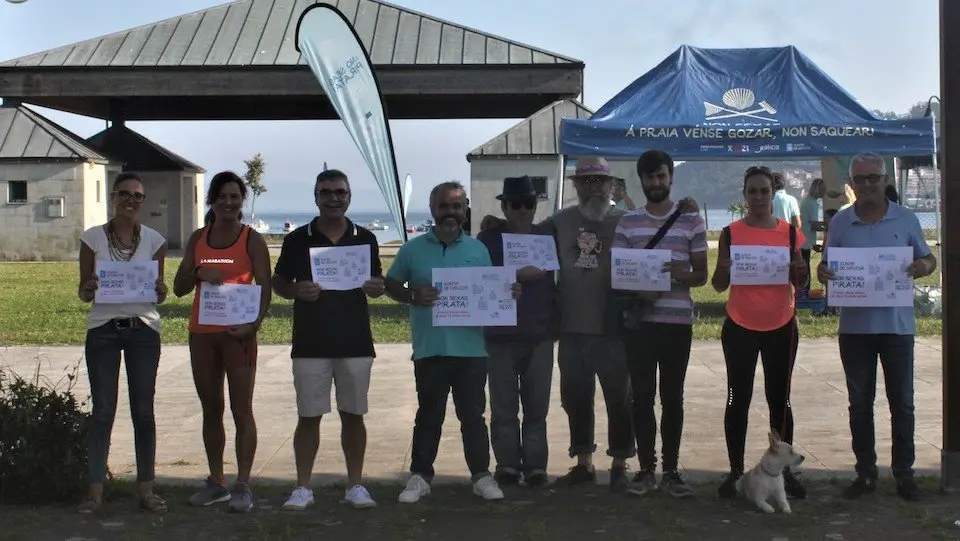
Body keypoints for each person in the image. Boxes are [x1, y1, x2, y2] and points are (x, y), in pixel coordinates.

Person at [479, 157, 698, 492]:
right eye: (586, 182)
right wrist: (497, 223)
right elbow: (527, 233)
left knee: (620, 401)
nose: (593, 188)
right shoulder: (559, 221)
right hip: (571, 327)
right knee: (576, 398)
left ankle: (620, 463)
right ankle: (583, 462)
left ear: (613, 185)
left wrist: (687, 208)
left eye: (600, 181)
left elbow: (661, 226)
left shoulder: (627, 219)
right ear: (576, 187)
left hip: (615, 328)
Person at [384, 181, 521, 503]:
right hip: (430, 347)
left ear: (465, 210)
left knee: (473, 418)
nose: (450, 212)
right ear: (433, 210)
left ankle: (481, 476)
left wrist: (508, 292)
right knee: (429, 416)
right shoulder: (412, 249)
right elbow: (391, 284)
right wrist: (413, 296)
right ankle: (419, 477)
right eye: (444, 206)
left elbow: (490, 290)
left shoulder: (478, 249)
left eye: (456, 206)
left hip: (471, 350)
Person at [817, 152, 936, 502]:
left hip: (897, 327)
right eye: (861, 179)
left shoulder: (906, 218)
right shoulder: (839, 223)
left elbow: (929, 258)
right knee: (859, 404)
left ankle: (904, 475)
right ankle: (865, 473)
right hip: (854, 330)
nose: (867, 184)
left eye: (874, 178)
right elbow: (826, 267)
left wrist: (922, 267)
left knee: (903, 404)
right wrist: (823, 273)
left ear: (886, 180)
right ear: (851, 184)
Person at [272, 170, 386, 510]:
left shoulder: (365, 238)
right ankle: (303, 487)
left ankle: (355, 485)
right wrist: (295, 291)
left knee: (354, 414)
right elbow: (279, 282)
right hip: (310, 341)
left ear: (349, 196)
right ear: (316, 196)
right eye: (326, 192)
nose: (333, 198)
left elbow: (376, 282)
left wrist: (377, 288)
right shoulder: (297, 240)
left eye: (340, 192)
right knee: (308, 416)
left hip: (355, 340)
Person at [173, 171, 272, 512]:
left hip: (238, 336)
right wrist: (200, 271)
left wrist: (253, 325)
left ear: (242, 200)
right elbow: (179, 287)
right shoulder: (198, 238)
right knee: (211, 408)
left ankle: (243, 484)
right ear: (212, 200)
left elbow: (265, 289)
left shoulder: (251, 240)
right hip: (202, 335)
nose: (228, 202)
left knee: (241, 408)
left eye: (235, 196)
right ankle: (217, 482)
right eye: (222, 196)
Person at [613, 150, 708, 498]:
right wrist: (642, 291)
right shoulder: (628, 222)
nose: (657, 182)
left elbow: (702, 275)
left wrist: (684, 274)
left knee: (673, 398)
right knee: (641, 398)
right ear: (641, 180)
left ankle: (671, 470)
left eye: (662, 176)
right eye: (650, 177)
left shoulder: (691, 220)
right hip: (640, 324)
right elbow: (619, 275)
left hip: (677, 323)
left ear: (671, 177)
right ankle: (646, 469)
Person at [711, 165, 809, 501]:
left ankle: (785, 474)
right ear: (744, 195)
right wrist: (723, 270)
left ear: (773, 194)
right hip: (739, 325)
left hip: (781, 325)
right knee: (737, 399)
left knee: (779, 402)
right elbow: (718, 285)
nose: (758, 197)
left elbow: (803, 281)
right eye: (752, 191)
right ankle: (736, 472)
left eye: (764, 191)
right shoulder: (730, 233)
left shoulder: (791, 233)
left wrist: (800, 271)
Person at [76, 172, 168, 514]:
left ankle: (146, 490)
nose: (131, 200)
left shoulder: (154, 241)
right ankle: (94, 493)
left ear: (143, 201)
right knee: (102, 412)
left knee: (143, 412)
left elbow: (158, 291)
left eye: (138, 196)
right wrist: (88, 288)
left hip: (143, 330)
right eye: (125, 194)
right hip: (103, 329)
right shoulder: (92, 239)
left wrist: (160, 290)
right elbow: (84, 291)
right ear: (113, 197)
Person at [476, 176, 557, 488]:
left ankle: (536, 467)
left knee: (537, 408)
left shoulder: (546, 237)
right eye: (516, 204)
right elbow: (479, 278)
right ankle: (508, 465)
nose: (523, 210)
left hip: (540, 334)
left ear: (535, 206)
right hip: (499, 336)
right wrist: (513, 274)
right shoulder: (487, 240)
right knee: (503, 407)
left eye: (529, 204)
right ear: (505, 206)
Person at [800, 178, 826, 288]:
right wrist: (828, 226)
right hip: (805, 241)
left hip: (803, 239)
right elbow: (814, 225)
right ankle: (805, 291)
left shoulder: (807, 201)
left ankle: (804, 290)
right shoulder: (812, 203)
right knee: (806, 268)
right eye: (823, 190)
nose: (825, 192)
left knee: (805, 266)